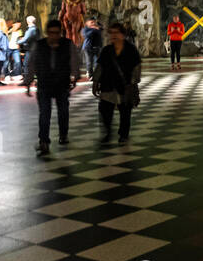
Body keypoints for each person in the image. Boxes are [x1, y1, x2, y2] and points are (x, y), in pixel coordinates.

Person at [26, 19, 80, 155]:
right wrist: (28, 81)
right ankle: (44, 141)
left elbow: (74, 61)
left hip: (62, 84)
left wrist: (75, 76)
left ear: (60, 33)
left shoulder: (67, 44)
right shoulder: (40, 45)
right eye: (51, 33)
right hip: (44, 84)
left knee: (63, 111)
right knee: (44, 113)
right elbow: (32, 63)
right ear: (47, 33)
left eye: (57, 33)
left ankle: (63, 135)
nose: (54, 36)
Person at [93, 23, 141, 144]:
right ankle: (108, 132)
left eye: (116, 33)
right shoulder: (106, 50)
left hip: (125, 86)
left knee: (125, 111)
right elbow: (100, 67)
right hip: (108, 85)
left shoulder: (131, 50)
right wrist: (95, 82)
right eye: (111, 33)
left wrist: (133, 82)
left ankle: (123, 134)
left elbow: (137, 67)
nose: (113, 35)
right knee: (105, 110)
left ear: (123, 35)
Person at [18, 14, 40, 95]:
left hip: (31, 50)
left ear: (29, 21)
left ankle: (27, 81)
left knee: (27, 65)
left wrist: (18, 42)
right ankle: (31, 80)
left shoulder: (32, 29)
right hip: (33, 50)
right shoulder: (35, 29)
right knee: (32, 66)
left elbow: (26, 38)